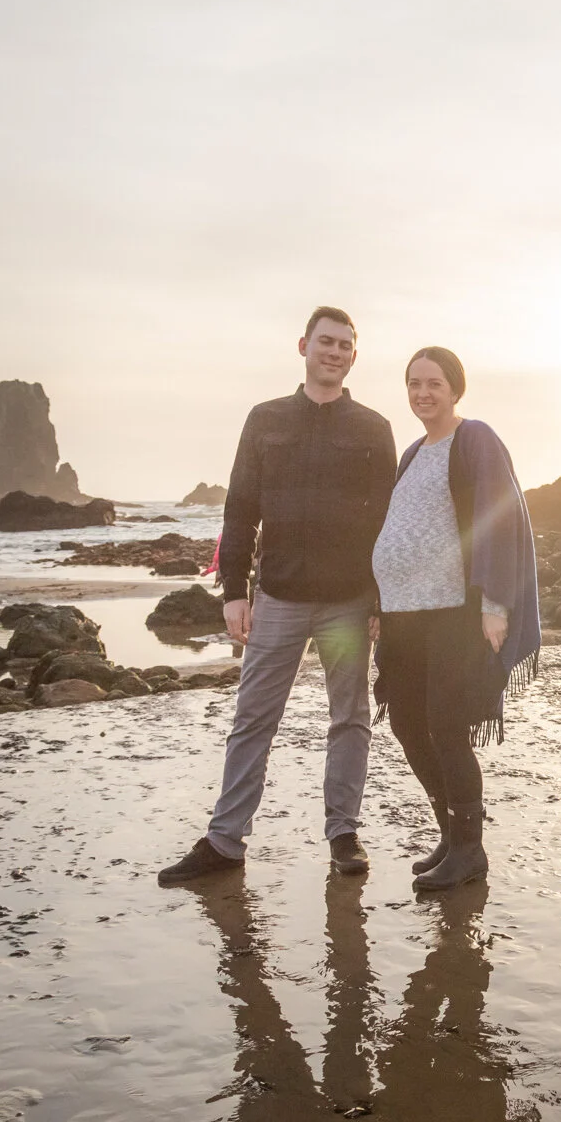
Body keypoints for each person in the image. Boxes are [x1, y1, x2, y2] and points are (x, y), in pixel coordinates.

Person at [158, 306, 397, 882]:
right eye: (325, 342)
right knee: (253, 719)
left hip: (348, 602)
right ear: (303, 346)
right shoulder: (265, 420)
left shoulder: (373, 428)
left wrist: (381, 602)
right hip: (279, 596)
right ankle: (225, 841)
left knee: (350, 718)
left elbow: (387, 521)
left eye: (345, 345)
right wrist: (234, 590)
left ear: (354, 357)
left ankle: (344, 833)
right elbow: (240, 507)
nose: (334, 352)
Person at [370, 346, 539, 892]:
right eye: (414, 383)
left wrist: (494, 605)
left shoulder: (475, 438)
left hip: (451, 611)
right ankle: (450, 832)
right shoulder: (414, 451)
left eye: (434, 383)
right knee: (405, 722)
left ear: (455, 388)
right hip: (402, 614)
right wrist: (378, 602)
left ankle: (470, 850)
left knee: (445, 726)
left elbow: (498, 512)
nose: (423, 393)